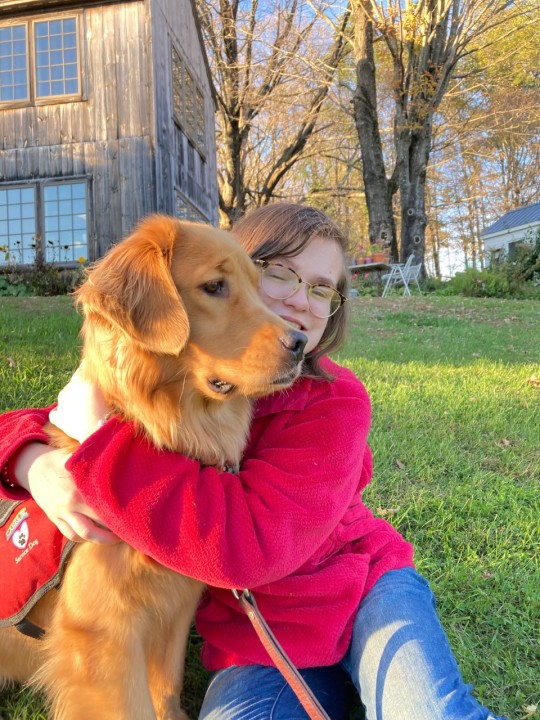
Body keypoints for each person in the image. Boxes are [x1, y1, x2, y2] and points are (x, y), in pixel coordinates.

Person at [0, 204, 508, 720]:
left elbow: (247, 548)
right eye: (280, 275)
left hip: (364, 592)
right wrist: (33, 463)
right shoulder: (194, 389)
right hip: (264, 640)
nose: (299, 301)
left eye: (322, 290)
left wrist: (99, 441)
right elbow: (36, 422)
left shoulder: (335, 402)